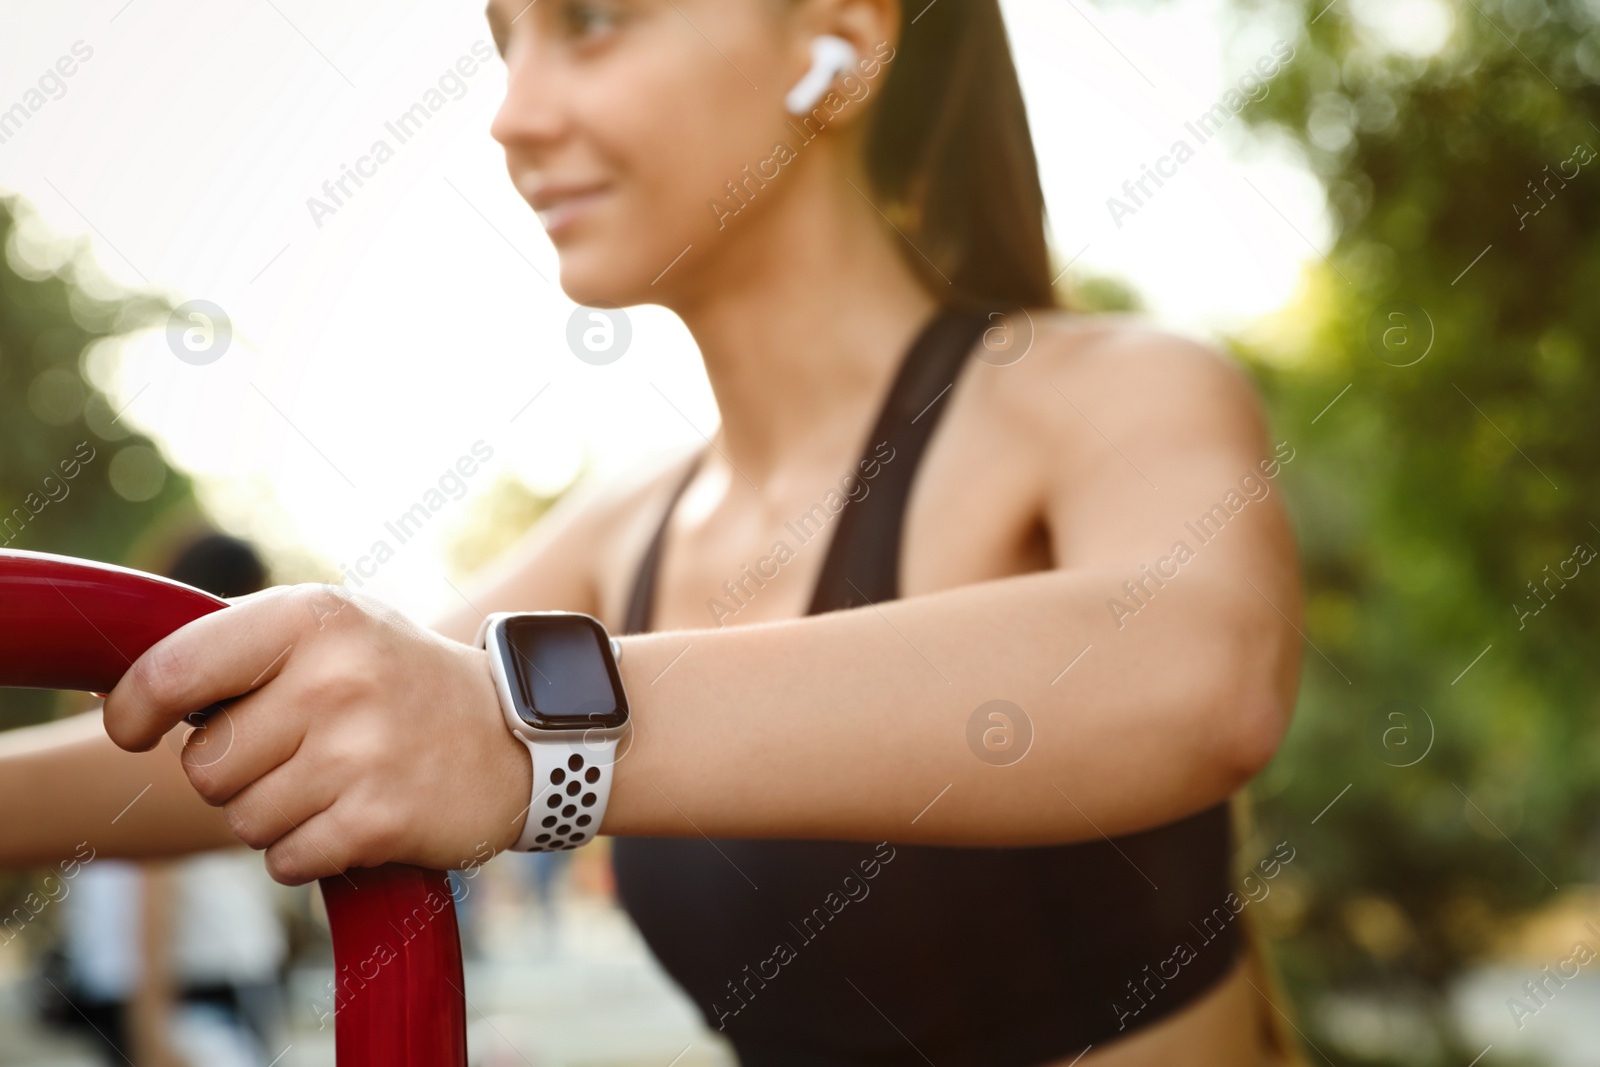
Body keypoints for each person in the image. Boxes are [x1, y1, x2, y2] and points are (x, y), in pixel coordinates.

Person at [0, 1, 1304, 1063]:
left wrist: (524, 736)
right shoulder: (621, 531)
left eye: (594, 19)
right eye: (505, 42)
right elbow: (279, 737)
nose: (512, 113)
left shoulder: (1114, 388)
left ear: (838, 39)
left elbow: (1196, 668)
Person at [47, 534, 287, 1067]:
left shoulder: (120, 696)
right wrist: (153, 1019)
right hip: (194, 987)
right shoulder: (184, 715)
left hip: (127, 985)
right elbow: (150, 860)